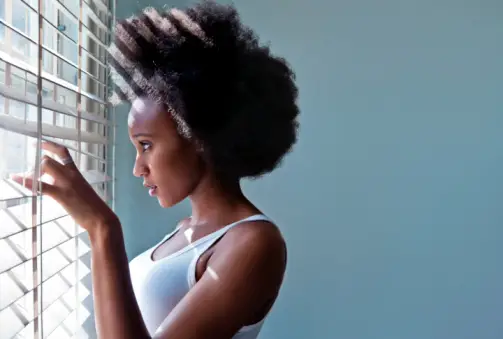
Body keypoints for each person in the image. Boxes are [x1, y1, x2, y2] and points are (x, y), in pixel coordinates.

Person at [12, 1, 299, 338]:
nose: (138, 168)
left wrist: (102, 228)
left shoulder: (254, 242)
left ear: (200, 137)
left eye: (146, 145)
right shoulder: (185, 232)